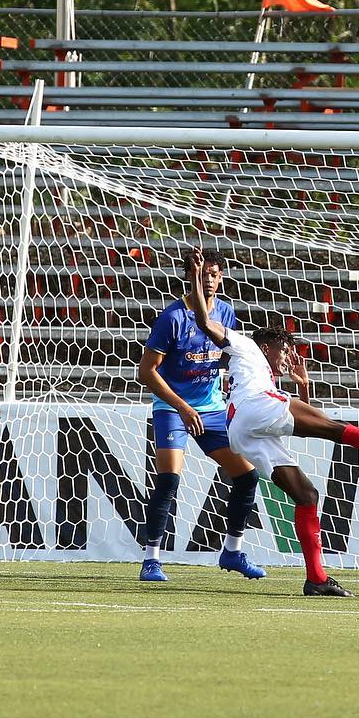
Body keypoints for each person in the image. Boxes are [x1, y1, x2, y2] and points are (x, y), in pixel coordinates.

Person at [186, 269, 359, 598]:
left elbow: (302, 422)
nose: (289, 358)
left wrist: (303, 386)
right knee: (340, 430)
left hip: (243, 430)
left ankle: (316, 579)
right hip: (252, 409)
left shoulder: (264, 376)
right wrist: (194, 277)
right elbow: (207, 324)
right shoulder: (246, 345)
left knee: (307, 496)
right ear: (266, 346)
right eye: (285, 350)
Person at [135, 247, 264, 584]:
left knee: (247, 476)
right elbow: (146, 372)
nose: (208, 279)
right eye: (202, 273)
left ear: (221, 278)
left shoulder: (225, 312)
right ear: (189, 277)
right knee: (169, 480)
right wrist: (182, 406)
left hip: (211, 408)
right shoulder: (172, 318)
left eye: (214, 273)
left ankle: (233, 552)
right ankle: (151, 559)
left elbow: (224, 357)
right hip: (173, 409)